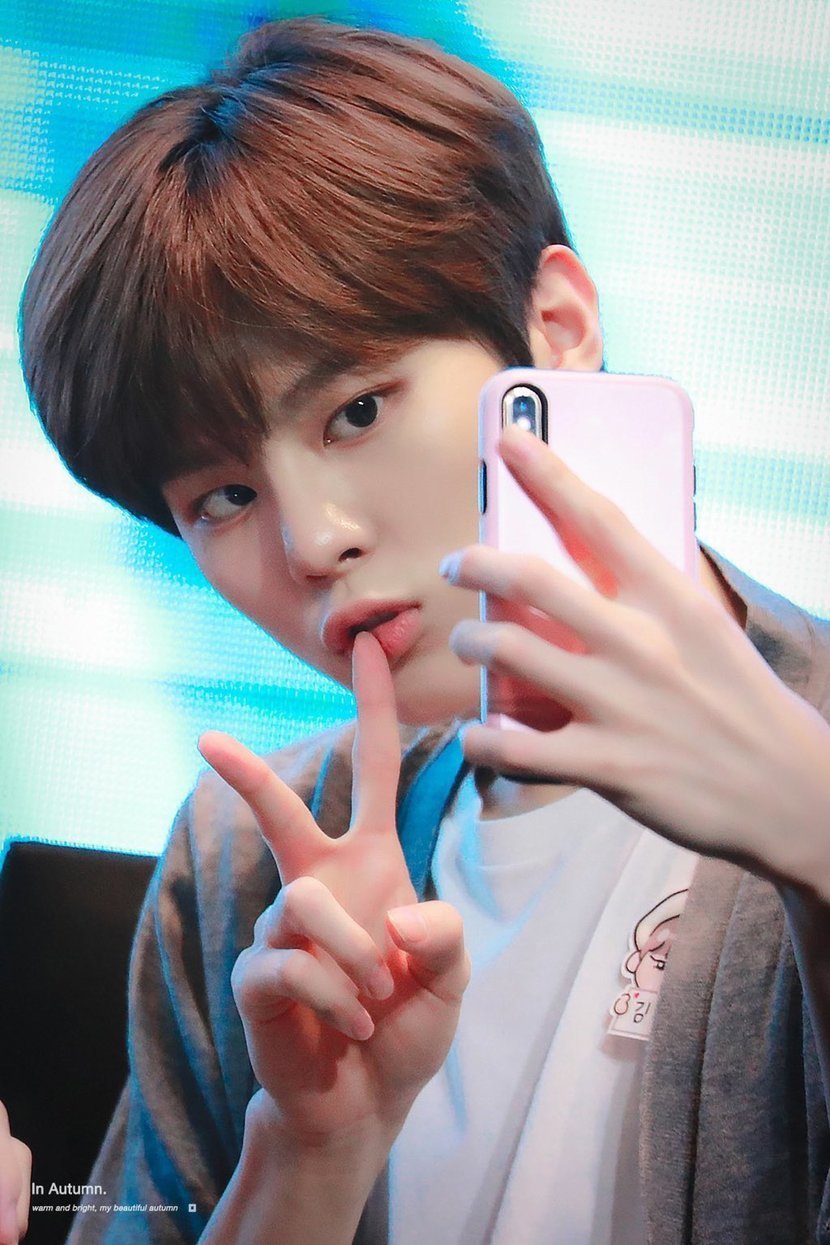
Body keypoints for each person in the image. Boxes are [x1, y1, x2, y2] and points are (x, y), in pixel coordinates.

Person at [19, 18, 830, 1245]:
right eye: (222, 496)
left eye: (355, 411)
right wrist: (305, 1159)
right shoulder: (250, 858)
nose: (312, 540)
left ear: (554, 326)